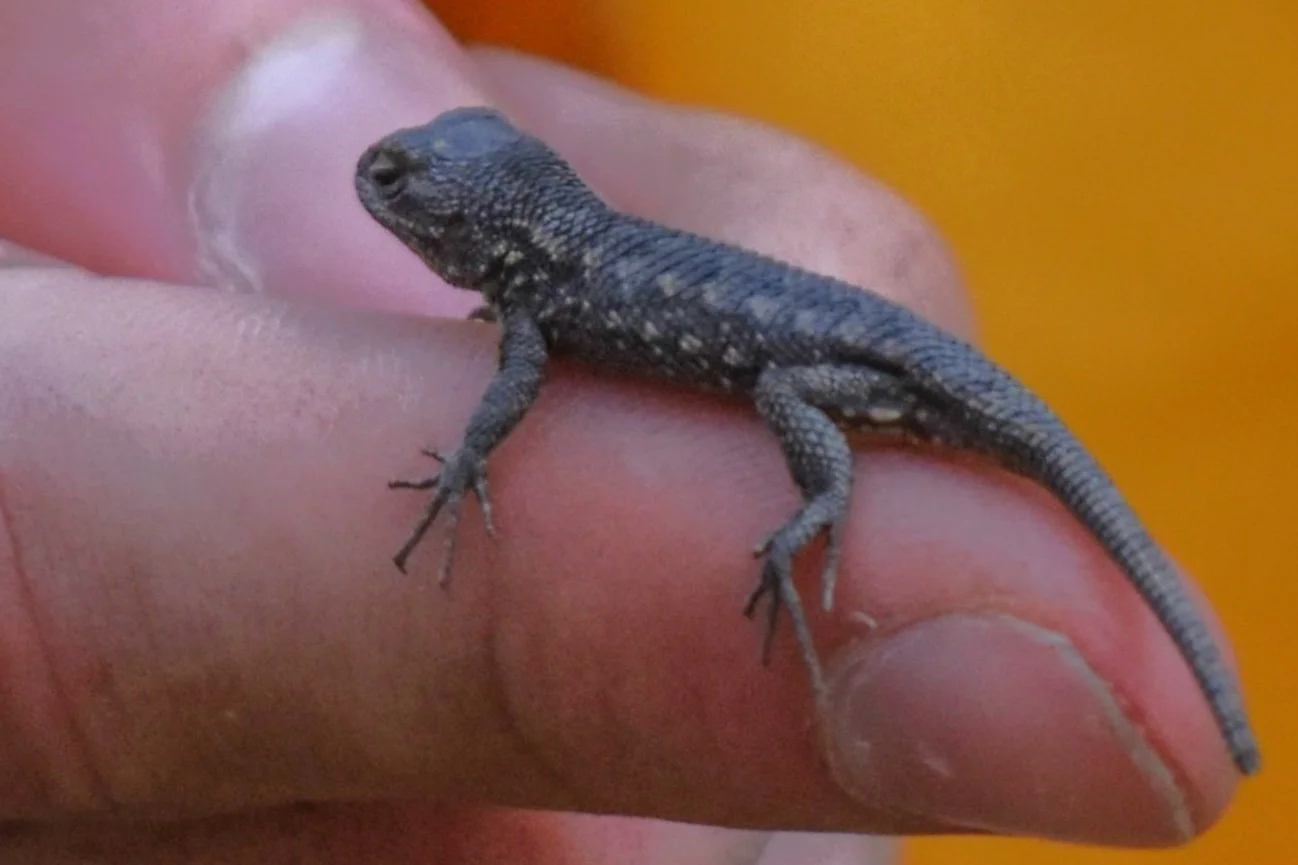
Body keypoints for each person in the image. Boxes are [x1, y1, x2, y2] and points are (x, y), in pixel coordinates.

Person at [0, 1, 1242, 861]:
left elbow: (513, 389)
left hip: (844, 361)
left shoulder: (541, 304)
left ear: (479, 231)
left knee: (780, 397)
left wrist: (465, 468)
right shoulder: (538, 280)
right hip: (843, 353)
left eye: (404, 188)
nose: (384, 186)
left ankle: (825, 502)